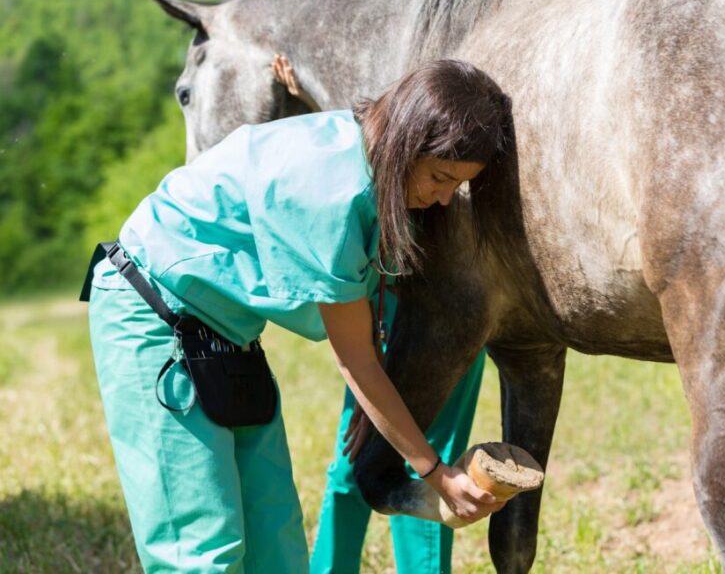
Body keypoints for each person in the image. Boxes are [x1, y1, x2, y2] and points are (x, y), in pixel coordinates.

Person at [85, 58, 513, 572]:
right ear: (406, 137)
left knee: (278, 548)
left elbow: (367, 314)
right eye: (441, 178)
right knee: (201, 554)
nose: (444, 198)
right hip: (152, 311)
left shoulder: (370, 161)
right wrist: (433, 471)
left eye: (456, 185)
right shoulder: (330, 191)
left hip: (228, 333)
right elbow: (355, 358)